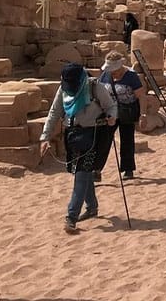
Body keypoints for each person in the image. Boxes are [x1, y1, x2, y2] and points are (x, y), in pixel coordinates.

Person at [40, 63, 117, 233]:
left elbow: (111, 106)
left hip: (94, 135)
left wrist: (112, 116)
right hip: (73, 135)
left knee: (82, 173)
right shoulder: (64, 89)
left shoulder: (95, 87)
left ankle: (71, 217)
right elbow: (54, 112)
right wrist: (45, 137)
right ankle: (92, 207)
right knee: (82, 171)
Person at [96, 51, 149, 180]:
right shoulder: (105, 75)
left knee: (127, 140)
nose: (112, 73)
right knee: (103, 141)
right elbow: (99, 93)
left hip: (127, 112)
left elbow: (141, 96)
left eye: (114, 70)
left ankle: (128, 169)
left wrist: (143, 115)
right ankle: (96, 169)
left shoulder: (131, 76)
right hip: (109, 113)